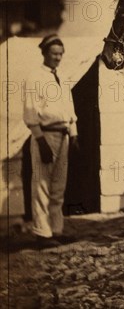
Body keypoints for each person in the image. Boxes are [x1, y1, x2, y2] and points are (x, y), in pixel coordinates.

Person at [23, 34, 79, 248]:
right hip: (44, 136)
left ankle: (56, 230)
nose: (58, 58)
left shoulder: (63, 77)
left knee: (58, 186)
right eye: (54, 54)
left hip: (63, 135)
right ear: (45, 54)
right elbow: (30, 112)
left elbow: (69, 108)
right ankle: (42, 233)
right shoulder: (35, 78)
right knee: (42, 186)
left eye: (61, 54)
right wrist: (40, 140)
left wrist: (74, 134)